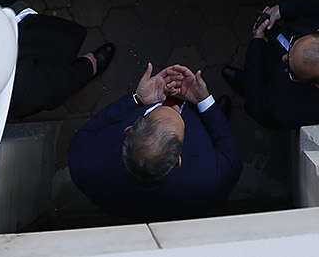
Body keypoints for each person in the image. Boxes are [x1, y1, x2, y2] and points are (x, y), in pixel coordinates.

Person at [67, 61, 243, 221]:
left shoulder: (84, 165)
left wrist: (137, 99)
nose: (176, 105)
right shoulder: (212, 182)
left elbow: (91, 130)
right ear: (178, 160)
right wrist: (205, 103)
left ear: (130, 129)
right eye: (180, 117)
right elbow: (228, 149)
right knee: (212, 121)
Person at [226, 0, 319, 128]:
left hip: (270, 79)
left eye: (292, 72)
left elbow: (254, 104)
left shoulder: (290, 109)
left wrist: (257, 43)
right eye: (294, 43)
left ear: (316, 85)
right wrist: (281, 10)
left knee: (254, 81)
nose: (284, 57)